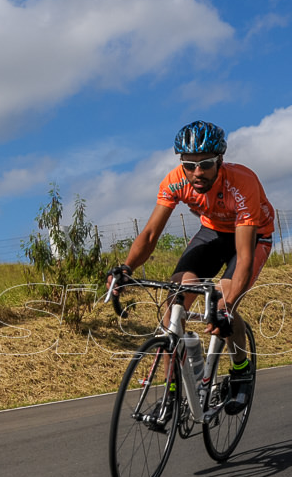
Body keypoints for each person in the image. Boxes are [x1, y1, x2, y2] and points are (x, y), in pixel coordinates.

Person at [107, 120, 274, 413]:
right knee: (174, 303)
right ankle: (173, 391)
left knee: (223, 301)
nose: (197, 173)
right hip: (212, 231)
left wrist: (227, 305)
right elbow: (149, 236)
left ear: (220, 161)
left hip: (251, 235)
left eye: (206, 164)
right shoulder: (175, 181)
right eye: (189, 164)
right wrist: (126, 268)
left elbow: (244, 256)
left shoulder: (242, 182)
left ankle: (241, 369)